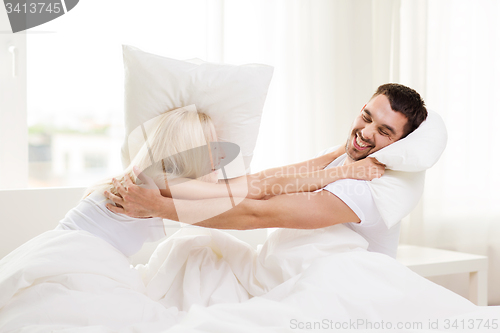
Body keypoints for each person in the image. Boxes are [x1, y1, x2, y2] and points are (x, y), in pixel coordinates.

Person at [105, 83, 428, 259]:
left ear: (401, 144)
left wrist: (159, 207)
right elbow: (265, 183)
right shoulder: (339, 159)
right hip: (286, 268)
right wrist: (163, 188)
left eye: (385, 132)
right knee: (191, 254)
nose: (366, 132)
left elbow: (258, 214)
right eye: (366, 117)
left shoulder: (366, 187)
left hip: (341, 286)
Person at [56, 106, 382, 257]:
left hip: (71, 251)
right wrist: (343, 171)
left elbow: (260, 182)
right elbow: (253, 190)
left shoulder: (152, 177)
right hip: (73, 257)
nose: (218, 156)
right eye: (210, 146)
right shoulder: (158, 181)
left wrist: (338, 154)